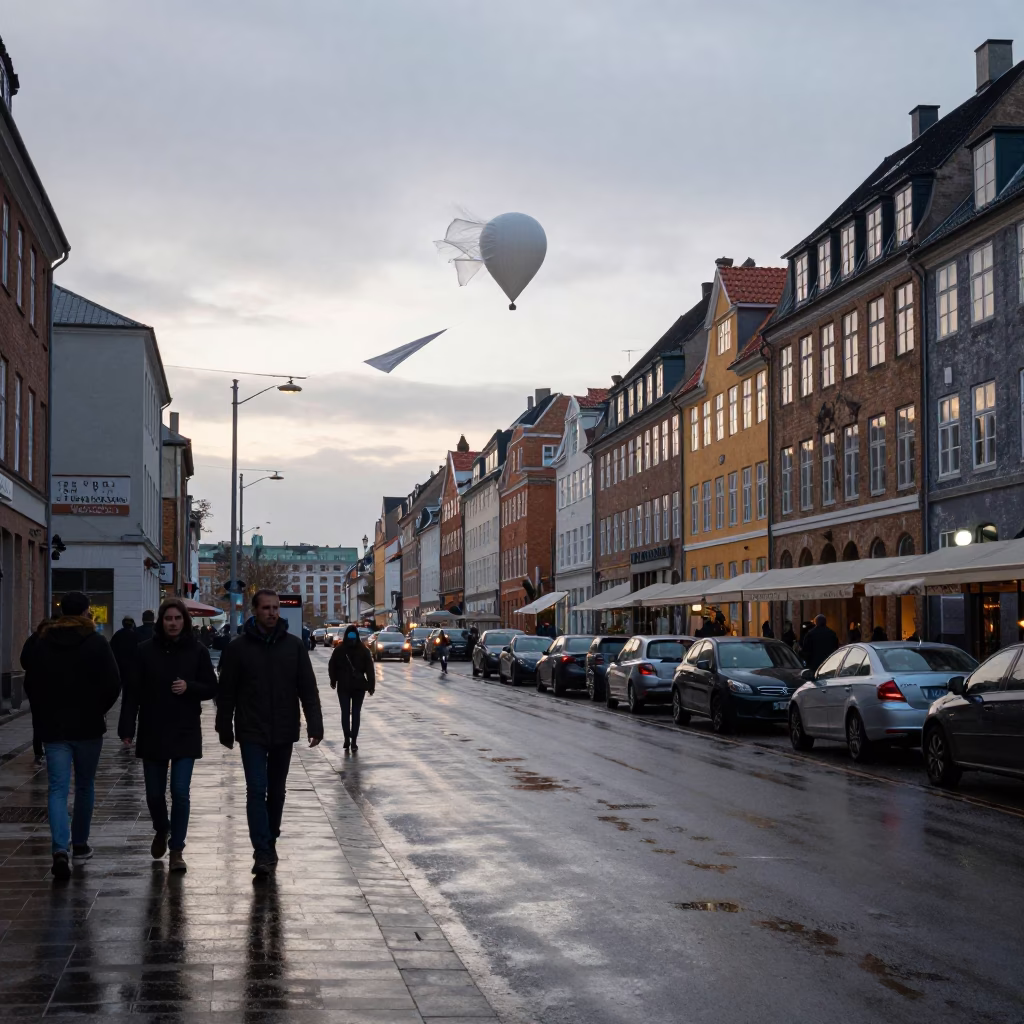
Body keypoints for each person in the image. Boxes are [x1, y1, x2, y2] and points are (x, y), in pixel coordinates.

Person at [216, 590, 324, 877]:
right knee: (256, 790)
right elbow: (226, 692)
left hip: (284, 729)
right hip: (251, 729)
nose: (273, 612)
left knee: (276, 792)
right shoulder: (238, 648)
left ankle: (271, 836)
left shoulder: (294, 646)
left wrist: (315, 724)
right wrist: (224, 726)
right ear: (254, 610)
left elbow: (308, 688)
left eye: (276, 608)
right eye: (266, 608)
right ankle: (262, 850)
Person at [22, 592, 121, 881]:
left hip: (54, 727)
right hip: (88, 726)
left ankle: (59, 849)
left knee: (57, 788)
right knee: (85, 786)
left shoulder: (43, 640)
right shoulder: (96, 642)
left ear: (60, 612)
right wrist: (97, 709)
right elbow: (113, 682)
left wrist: (42, 712)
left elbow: (28, 671)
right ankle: (79, 844)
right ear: (88, 611)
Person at [118, 598, 218, 873]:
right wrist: (127, 728)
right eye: (168, 619)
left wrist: (190, 687)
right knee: (153, 794)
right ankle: (162, 829)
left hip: (185, 729)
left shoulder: (197, 650)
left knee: (180, 792)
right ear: (160, 622)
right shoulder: (144, 651)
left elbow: (211, 687)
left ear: (185, 621)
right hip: (153, 728)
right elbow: (132, 693)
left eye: (177, 618)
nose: (173, 623)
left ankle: (177, 849)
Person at [328, 624, 375, 751]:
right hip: (359, 687)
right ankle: (353, 741)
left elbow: (332, 665)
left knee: (345, 712)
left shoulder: (339, 649)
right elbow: (370, 669)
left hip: (343, 686)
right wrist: (371, 685)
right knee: (355, 713)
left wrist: (333, 680)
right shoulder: (364, 650)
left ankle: (346, 739)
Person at [20, 618, 54, 762]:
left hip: (34, 683)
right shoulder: (50, 642)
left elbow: (24, 662)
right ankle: (44, 748)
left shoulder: (32, 640)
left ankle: (39, 749)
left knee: (38, 718)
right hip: (45, 685)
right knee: (47, 717)